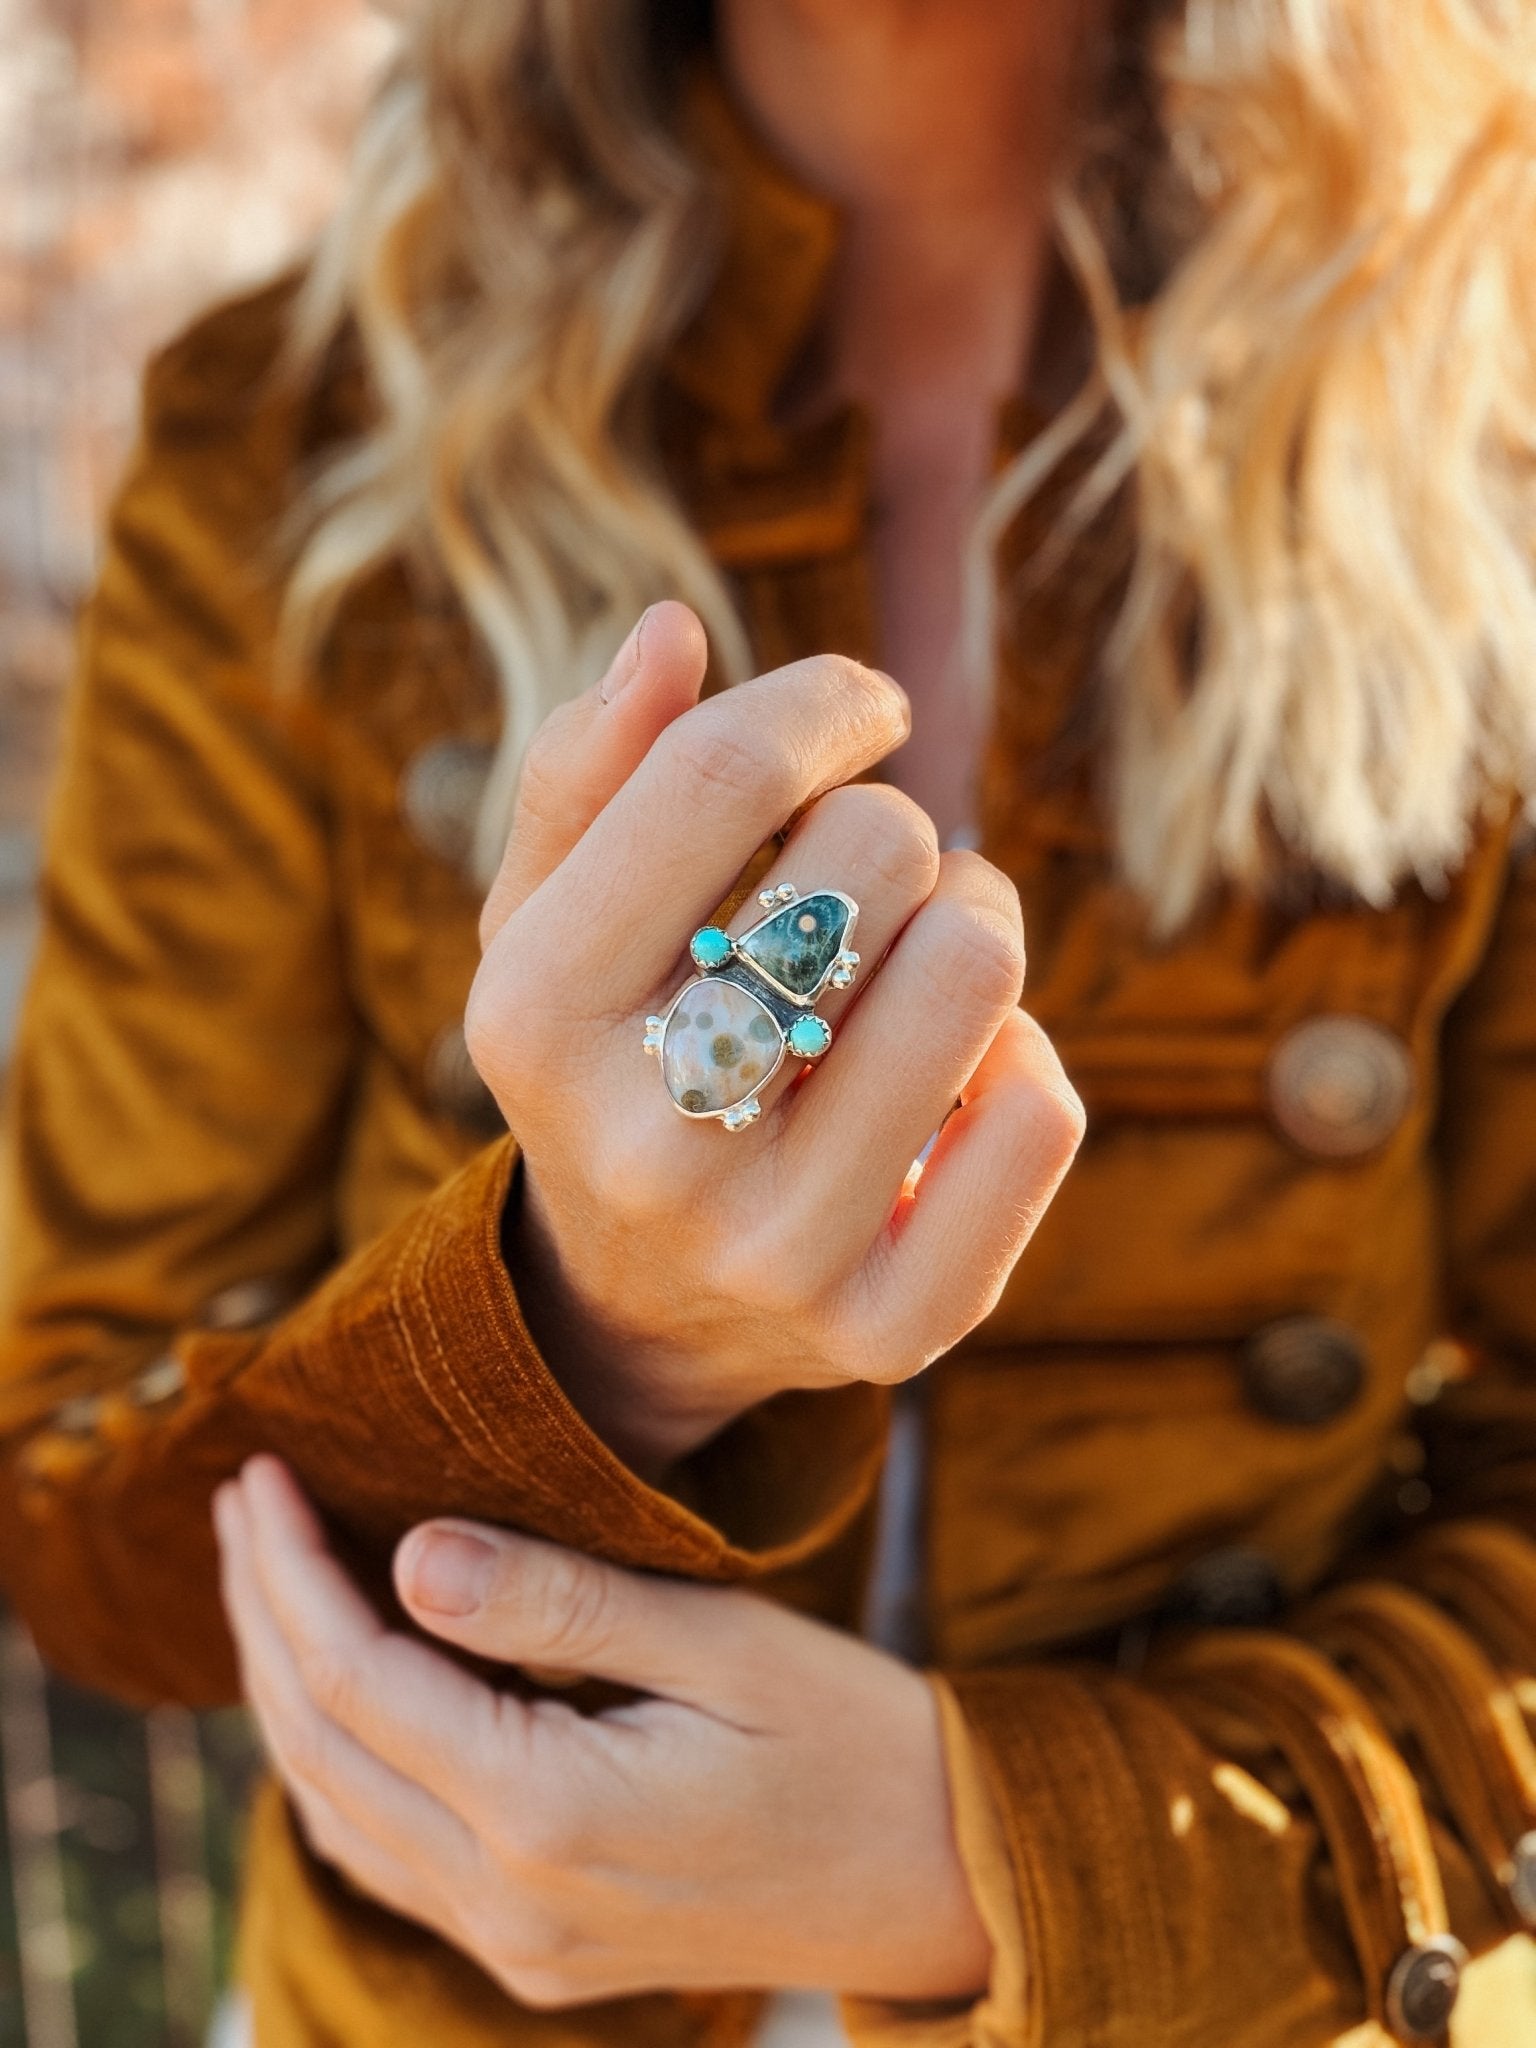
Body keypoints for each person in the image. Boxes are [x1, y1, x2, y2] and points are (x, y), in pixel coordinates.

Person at [4, 1, 1536, 2044]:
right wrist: (580, 1343)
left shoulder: (1487, 407)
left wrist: (1015, 1852)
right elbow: (86, 1509)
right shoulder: (287, 448)